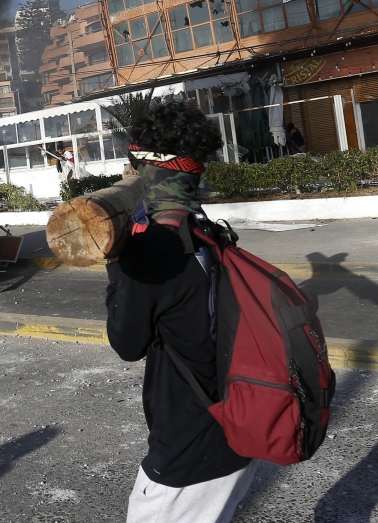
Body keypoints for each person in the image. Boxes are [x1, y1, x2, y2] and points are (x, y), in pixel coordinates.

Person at [105, 101, 255, 523]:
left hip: (190, 449)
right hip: (235, 428)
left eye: (133, 166)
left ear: (150, 170)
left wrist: (115, 257)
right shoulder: (205, 230)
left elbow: (127, 342)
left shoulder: (151, 251)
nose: (128, 175)